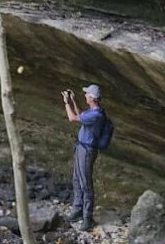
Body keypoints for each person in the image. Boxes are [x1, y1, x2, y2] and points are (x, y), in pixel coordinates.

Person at [62, 84, 105, 231]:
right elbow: (81, 116)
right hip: (81, 147)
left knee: (85, 183)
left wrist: (66, 102)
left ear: (92, 98)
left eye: (87, 94)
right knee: (76, 179)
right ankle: (77, 210)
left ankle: (87, 218)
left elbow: (72, 118)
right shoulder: (92, 111)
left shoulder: (97, 115)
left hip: (87, 151)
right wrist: (74, 101)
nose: (85, 95)